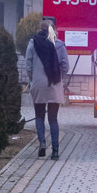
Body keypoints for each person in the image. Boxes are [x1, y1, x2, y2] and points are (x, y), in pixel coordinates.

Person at [25, 19, 69, 160]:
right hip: (54, 85)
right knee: (53, 119)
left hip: (38, 84)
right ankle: (55, 151)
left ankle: (42, 143)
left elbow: (28, 64)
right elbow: (65, 66)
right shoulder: (60, 45)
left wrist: (33, 79)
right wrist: (59, 78)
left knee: (39, 116)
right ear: (54, 29)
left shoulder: (33, 43)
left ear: (40, 28)